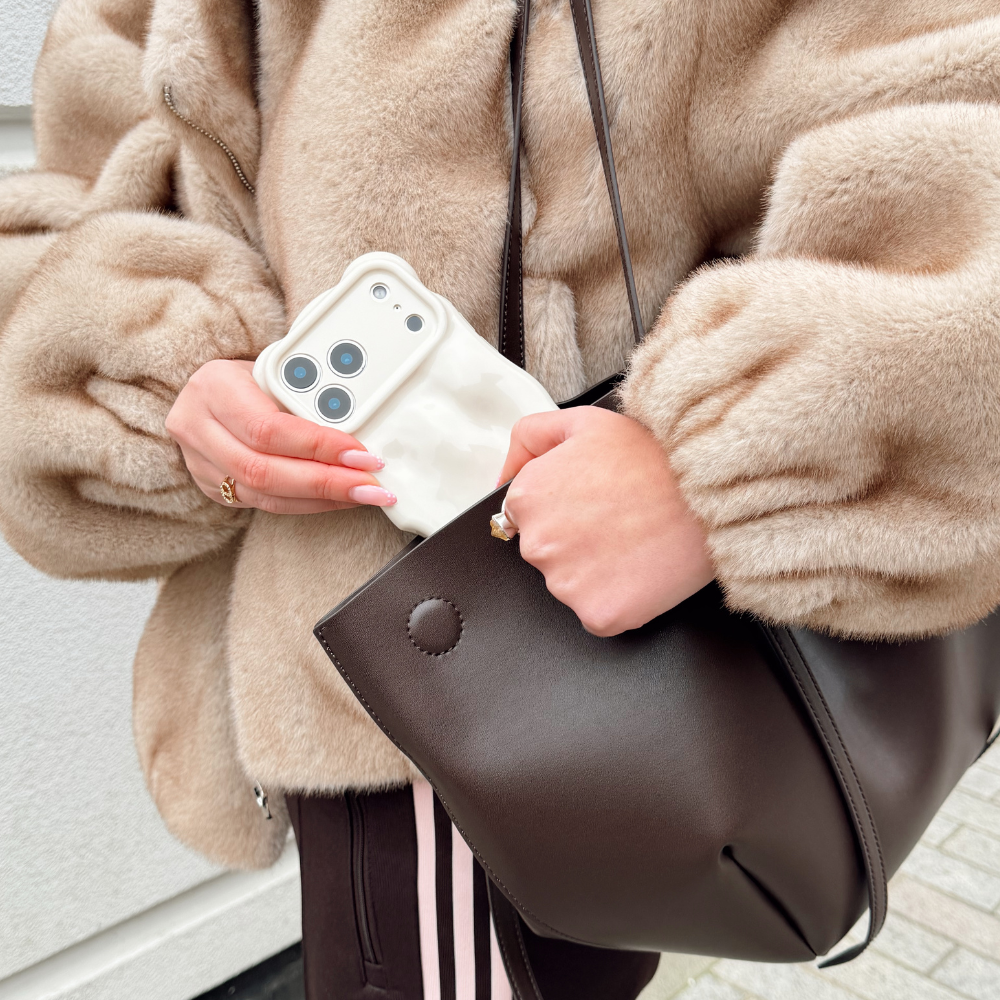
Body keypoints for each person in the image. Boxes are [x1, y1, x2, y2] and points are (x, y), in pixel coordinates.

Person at [2, 0, 999, 996]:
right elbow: (80, 184)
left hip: (549, 691)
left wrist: (717, 467)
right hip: (416, 698)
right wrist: (161, 372)